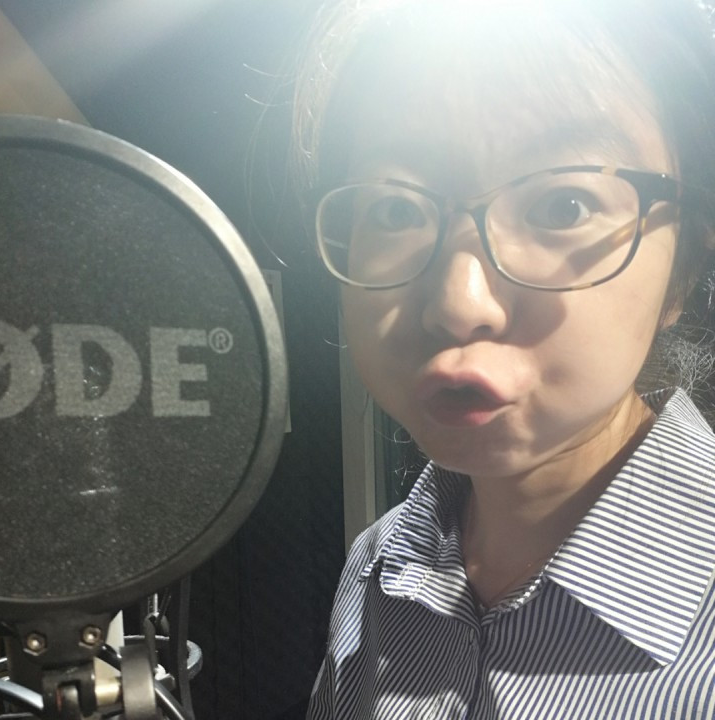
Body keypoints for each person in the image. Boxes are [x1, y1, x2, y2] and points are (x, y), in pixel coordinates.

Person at [289, 0, 715, 716]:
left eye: (564, 206)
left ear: (683, 272)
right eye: (395, 210)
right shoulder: (375, 567)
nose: (459, 303)